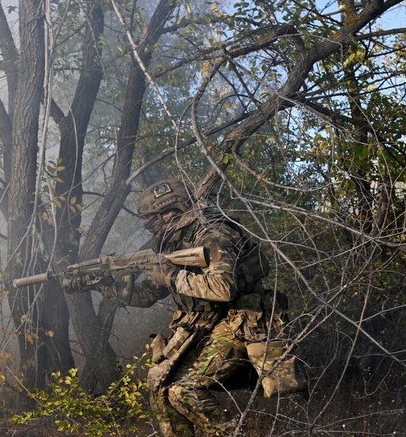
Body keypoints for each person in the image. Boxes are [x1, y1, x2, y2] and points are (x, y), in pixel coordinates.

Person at [65, 178, 300, 437]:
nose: (150, 227)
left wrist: (171, 278)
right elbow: (146, 296)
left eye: (154, 219)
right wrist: (105, 286)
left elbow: (223, 287)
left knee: (182, 389)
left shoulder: (212, 233)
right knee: (158, 383)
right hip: (204, 325)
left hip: (240, 321)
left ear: (170, 211)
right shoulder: (174, 242)